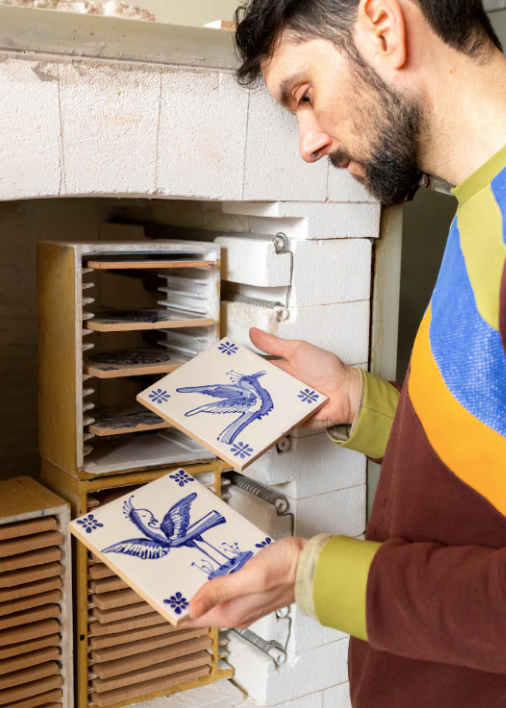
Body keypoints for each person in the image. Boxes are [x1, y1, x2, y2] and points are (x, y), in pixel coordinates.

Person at [181, 1, 506, 705]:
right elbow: (490, 448)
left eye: (304, 94)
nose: (308, 142)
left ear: (384, 26)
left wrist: (311, 573)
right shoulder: (479, 205)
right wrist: (356, 401)